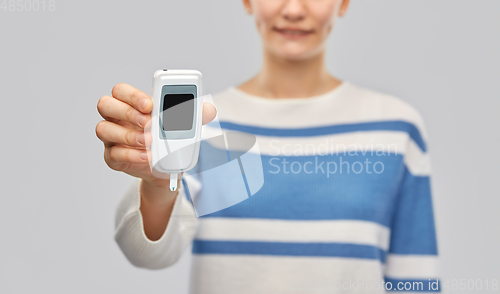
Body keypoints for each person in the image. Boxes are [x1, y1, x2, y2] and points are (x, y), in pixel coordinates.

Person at [96, 0, 440, 293]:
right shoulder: (205, 122)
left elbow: (415, 277)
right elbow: (147, 253)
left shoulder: (396, 128)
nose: (292, 9)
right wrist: (157, 183)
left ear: (345, 2)